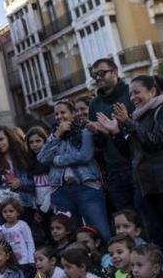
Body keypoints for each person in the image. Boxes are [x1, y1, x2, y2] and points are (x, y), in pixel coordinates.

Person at [104, 75, 163, 265]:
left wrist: (128, 123)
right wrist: (116, 132)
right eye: (130, 93)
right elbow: (129, 153)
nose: (132, 97)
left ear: (152, 91)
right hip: (150, 188)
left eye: (137, 92)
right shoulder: (138, 117)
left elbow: (154, 141)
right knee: (162, 240)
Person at [40, 100, 111, 240]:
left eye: (63, 112)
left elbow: (85, 155)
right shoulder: (54, 135)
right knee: (72, 235)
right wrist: (57, 135)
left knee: (100, 231)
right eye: (56, 114)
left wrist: (56, 160)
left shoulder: (85, 130)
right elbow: (42, 158)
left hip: (86, 188)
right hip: (61, 191)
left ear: (72, 114)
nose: (59, 116)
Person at [87, 57, 137, 211]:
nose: (98, 78)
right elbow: (99, 144)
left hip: (136, 164)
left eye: (102, 73)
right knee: (125, 215)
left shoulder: (131, 93)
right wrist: (97, 133)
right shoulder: (95, 104)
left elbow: (141, 127)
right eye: (94, 75)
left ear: (115, 72)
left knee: (146, 214)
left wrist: (122, 123)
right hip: (113, 169)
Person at [0, 126, 36, 213]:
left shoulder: (23, 156)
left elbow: (35, 183)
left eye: (1, 139)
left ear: (9, 138)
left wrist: (21, 183)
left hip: (22, 205)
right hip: (1, 206)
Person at [0, 199, 35, 271]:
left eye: (11, 211)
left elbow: (29, 242)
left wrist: (31, 259)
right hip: (10, 263)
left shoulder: (22, 225)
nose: (8, 214)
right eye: (5, 212)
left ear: (18, 212)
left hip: (24, 261)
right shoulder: (1, 228)